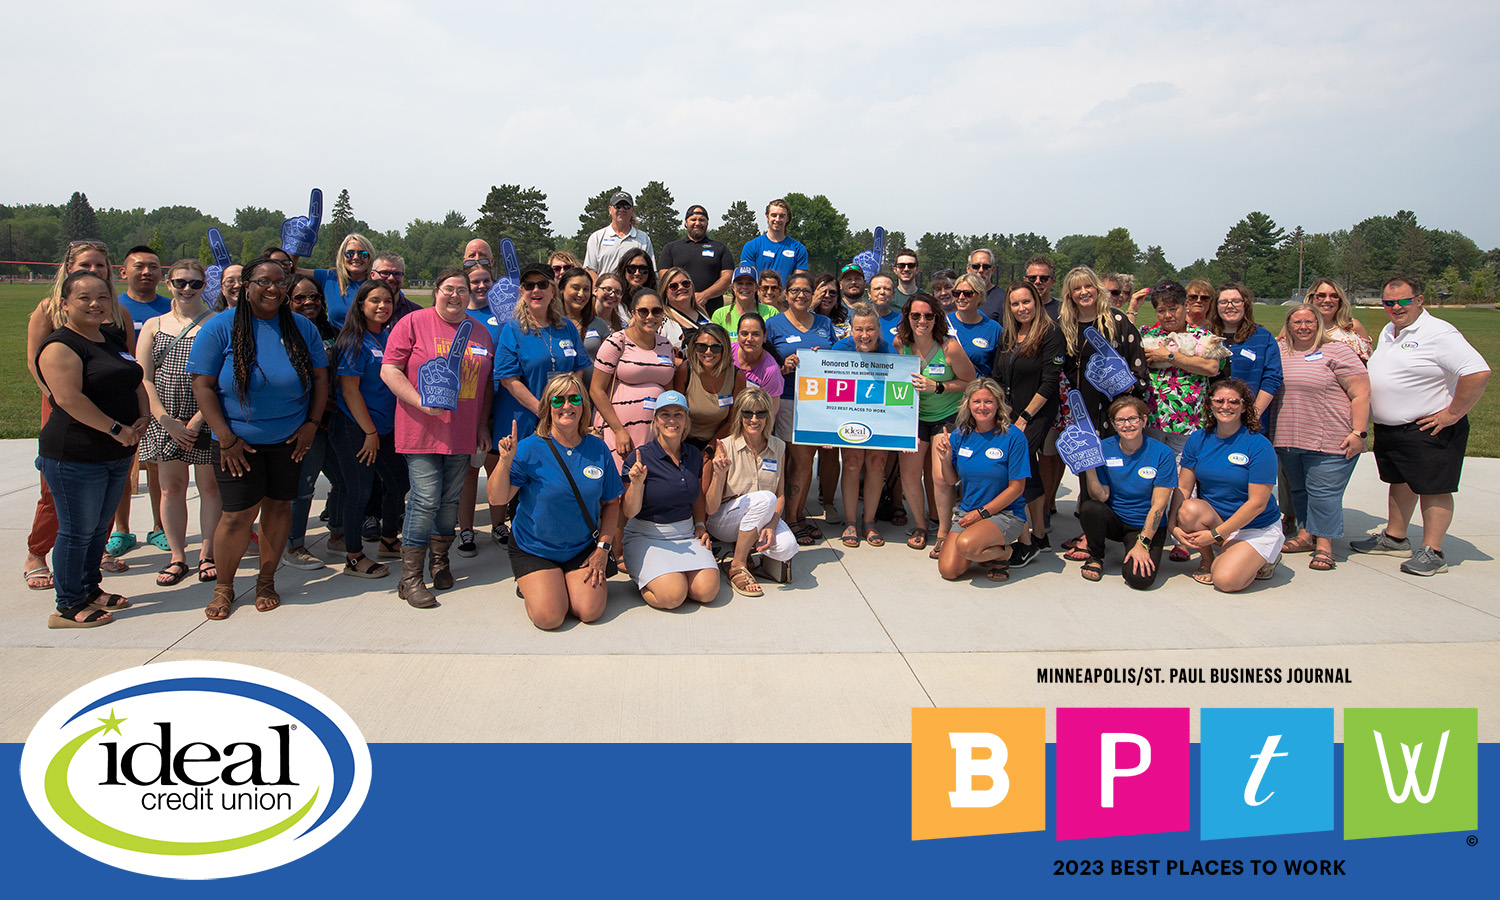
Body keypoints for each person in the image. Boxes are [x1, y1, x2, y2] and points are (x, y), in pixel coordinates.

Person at [188, 257, 330, 619]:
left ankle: (266, 580)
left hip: (290, 439)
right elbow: (202, 386)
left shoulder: (301, 328)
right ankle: (225, 586)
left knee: (280, 507)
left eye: (280, 282)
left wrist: (311, 423)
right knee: (236, 516)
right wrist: (225, 438)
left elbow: (320, 379)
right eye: (263, 281)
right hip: (238, 443)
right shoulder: (220, 327)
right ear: (245, 286)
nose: (273, 288)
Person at [1352, 276, 1490, 576]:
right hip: (1392, 429)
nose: (1396, 307)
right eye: (1389, 302)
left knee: (1433, 488)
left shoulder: (1438, 332)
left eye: (1403, 301)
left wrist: (1452, 414)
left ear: (1419, 300)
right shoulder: (1390, 331)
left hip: (1428, 427)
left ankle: (1433, 550)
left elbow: (1477, 372)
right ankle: (1395, 537)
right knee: (1400, 482)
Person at [35, 271, 149, 628]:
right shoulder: (61, 346)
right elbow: (69, 399)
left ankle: (89, 588)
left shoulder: (110, 337)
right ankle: (67, 605)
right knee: (76, 530)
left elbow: (133, 377)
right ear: (65, 303)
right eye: (84, 298)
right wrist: (117, 429)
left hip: (116, 452)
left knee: (99, 528)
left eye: (102, 296)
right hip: (75, 454)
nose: (95, 304)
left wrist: (143, 417)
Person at [381, 268, 495, 608]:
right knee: (426, 497)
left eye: (462, 290)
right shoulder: (414, 323)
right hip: (421, 430)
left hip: (461, 432)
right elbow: (389, 368)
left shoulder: (480, 332)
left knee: (449, 500)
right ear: (436, 291)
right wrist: (420, 401)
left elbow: (486, 384)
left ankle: (440, 561)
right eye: (449, 289)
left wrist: (482, 425)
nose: (456, 295)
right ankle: (410, 578)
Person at [24, 240, 131, 590]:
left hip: (113, 412)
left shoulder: (118, 312)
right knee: (57, 491)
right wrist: (62, 401)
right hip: (65, 408)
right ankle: (38, 552)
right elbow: (36, 364)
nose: (93, 271)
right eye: (85, 264)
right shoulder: (49, 310)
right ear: (68, 268)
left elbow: (126, 366)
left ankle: (95, 557)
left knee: (106, 492)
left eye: (100, 266)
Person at [492, 374, 622, 630]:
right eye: (558, 399)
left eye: (574, 398)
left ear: (583, 405)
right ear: (547, 406)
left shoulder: (598, 448)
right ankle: (533, 584)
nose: (567, 406)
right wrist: (505, 461)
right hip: (535, 548)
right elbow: (497, 498)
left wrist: (602, 549)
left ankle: (559, 584)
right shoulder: (529, 448)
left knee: (589, 611)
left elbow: (612, 504)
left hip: (580, 548)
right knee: (550, 618)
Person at [1056, 267, 1150, 562]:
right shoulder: (1065, 324)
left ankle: (1121, 529)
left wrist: (1123, 386)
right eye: (1076, 288)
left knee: (1114, 470)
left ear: (1097, 288)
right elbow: (1060, 368)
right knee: (1087, 470)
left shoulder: (1117, 322)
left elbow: (1138, 367)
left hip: (1115, 411)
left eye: (1088, 286)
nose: (1083, 292)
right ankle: (1090, 530)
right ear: (1069, 294)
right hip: (1081, 409)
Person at [137, 259, 221, 587]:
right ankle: (176, 556)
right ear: (168, 283)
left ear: (204, 286)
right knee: (171, 489)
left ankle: (208, 553)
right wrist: (165, 420)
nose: (187, 289)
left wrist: (199, 420)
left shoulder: (215, 324)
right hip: (166, 419)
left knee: (210, 487)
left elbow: (220, 379)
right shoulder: (154, 325)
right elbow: (144, 378)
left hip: (205, 417)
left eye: (195, 284)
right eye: (180, 282)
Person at [1273, 303, 1370, 571]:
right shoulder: (1279, 351)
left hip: (1331, 437)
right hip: (1288, 437)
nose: (1303, 327)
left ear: (1319, 323)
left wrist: (1359, 432)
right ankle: (1305, 535)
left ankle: (1325, 545)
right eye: (1296, 322)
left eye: (1309, 322)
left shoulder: (1337, 350)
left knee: (1324, 493)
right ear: (1288, 325)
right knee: (1300, 490)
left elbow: (1361, 392)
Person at [1171, 378, 1285, 592]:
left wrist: (1216, 534)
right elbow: (1183, 489)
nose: (1225, 406)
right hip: (1218, 521)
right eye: (1219, 400)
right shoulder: (1198, 439)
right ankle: (1207, 559)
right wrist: (1172, 526)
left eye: (1233, 402)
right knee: (1188, 509)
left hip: (1255, 526)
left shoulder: (1259, 445)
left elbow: (1257, 504)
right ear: (1210, 404)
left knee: (1226, 581)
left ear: (1244, 406)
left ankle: (1267, 557)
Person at [331, 281, 407, 578]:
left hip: (384, 428)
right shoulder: (353, 341)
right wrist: (370, 433)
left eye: (387, 301)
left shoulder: (387, 336)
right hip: (357, 430)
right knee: (359, 493)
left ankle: (389, 540)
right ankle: (353, 556)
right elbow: (350, 392)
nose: (382, 306)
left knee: (398, 484)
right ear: (361, 304)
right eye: (374, 300)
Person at [619, 391, 721, 608]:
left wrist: (701, 525)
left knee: (707, 591)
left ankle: (670, 575)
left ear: (686, 421)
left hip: (685, 534)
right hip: (646, 535)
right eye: (665, 414)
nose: (671, 420)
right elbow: (628, 511)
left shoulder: (694, 455)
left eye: (678, 415)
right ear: (655, 420)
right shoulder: (640, 457)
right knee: (673, 596)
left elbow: (697, 497)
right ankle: (644, 576)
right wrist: (636, 485)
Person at [895, 293, 976, 553]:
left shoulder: (949, 347)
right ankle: (920, 525)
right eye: (916, 315)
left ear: (936, 318)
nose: (922, 321)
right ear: (907, 317)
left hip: (945, 418)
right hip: (912, 417)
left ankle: (943, 531)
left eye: (928, 316)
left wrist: (937, 386)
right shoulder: (900, 344)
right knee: (909, 475)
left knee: (941, 477)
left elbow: (970, 383)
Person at [991, 280, 1064, 560]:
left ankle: (1037, 536)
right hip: (1008, 413)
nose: (1021, 308)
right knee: (1024, 467)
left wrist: (1024, 418)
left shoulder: (1050, 334)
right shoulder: (1008, 334)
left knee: (1021, 466)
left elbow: (1049, 383)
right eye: (1015, 304)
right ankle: (1036, 533)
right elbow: (998, 376)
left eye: (1026, 302)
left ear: (1037, 301)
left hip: (1035, 414)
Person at [703, 385, 799, 595]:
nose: (754, 419)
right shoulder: (725, 446)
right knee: (765, 498)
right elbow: (710, 509)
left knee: (787, 548)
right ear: (739, 415)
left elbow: (780, 494)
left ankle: (746, 548)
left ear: (768, 416)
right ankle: (737, 565)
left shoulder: (779, 446)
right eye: (747, 413)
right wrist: (718, 475)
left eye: (760, 413)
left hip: (763, 514)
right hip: (725, 519)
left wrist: (772, 525)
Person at [765, 272, 838, 545]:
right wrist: (784, 368)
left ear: (813, 295)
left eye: (806, 291)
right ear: (785, 294)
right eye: (795, 290)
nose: (800, 295)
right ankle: (789, 517)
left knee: (806, 461)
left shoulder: (825, 323)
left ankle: (796, 515)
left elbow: (839, 358)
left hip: (819, 402)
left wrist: (826, 358)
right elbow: (767, 363)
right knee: (794, 461)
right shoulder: (773, 325)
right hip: (787, 399)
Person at [932, 379, 1030, 582]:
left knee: (966, 545)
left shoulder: (1014, 437)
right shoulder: (961, 434)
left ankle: (1004, 554)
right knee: (948, 571)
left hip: (1005, 514)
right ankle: (984, 548)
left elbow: (1017, 488)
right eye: (977, 401)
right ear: (968, 404)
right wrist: (945, 459)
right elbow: (951, 480)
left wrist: (981, 514)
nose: (982, 407)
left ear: (998, 404)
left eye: (989, 402)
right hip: (968, 513)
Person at [108, 245, 170, 560]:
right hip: (120, 397)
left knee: (158, 466)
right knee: (122, 466)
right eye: (139, 266)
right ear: (123, 271)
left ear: (162, 274)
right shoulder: (111, 307)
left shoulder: (171, 307)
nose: (146, 272)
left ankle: (160, 526)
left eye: (153, 267)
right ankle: (121, 529)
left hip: (159, 398)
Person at [1077, 396, 1177, 587]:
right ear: (1113, 424)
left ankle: (1135, 545)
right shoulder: (1103, 448)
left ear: (1144, 420)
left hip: (1145, 525)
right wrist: (1089, 466)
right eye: (1120, 420)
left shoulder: (1162, 453)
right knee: (1090, 507)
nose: (1127, 425)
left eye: (1133, 419)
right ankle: (1096, 556)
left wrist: (1143, 542)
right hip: (1116, 520)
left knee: (1139, 579)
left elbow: (1159, 506)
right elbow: (1102, 496)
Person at [283, 275, 345, 571]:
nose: (309, 303)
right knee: (304, 485)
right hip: (301, 422)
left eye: (315, 297)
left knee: (343, 480)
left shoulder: (333, 332)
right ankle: (294, 544)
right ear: (287, 301)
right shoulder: (280, 332)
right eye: (300, 298)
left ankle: (337, 534)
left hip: (332, 419)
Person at [591, 287, 677, 477]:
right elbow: (596, 390)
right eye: (643, 311)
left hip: (654, 433)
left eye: (656, 311)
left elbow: (669, 393)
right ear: (633, 313)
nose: (650, 316)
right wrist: (618, 431)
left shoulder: (665, 345)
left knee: (649, 487)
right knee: (620, 485)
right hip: (621, 431)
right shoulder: (616, 341)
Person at [832, 304, 894, 547]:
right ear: (851, 330)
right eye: (859, 329)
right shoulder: (840, 348)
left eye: (870, 329)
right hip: (848, 414)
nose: (864, 335)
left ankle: (869, 522)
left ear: (879, 329)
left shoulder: (890, 351)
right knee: (851, 463)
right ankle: (850, 522)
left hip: (879, 414)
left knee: (877, 464)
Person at [1209, 282, 1282, 430]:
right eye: (1223, 302)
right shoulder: (1204, 335)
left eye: (1236, 301)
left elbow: (1272, 378)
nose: (1230, 306)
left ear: (1245, 304)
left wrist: (1253, 415)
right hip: (1210, 420)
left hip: (1250, 422)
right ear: (1216, 306)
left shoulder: (1263, 337)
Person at [673, 323, 747, 451]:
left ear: (724, 349)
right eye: (702, 347)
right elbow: (676, 414)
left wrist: (710, 449)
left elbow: (732, 421)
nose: (708, 352)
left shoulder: (737, 376)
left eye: (715, 347)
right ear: (694, 348)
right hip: (683, 441)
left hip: (718, 442)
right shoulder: (685, 370)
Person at [658, 204, 733, 309]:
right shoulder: (670, 248)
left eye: (702, 220)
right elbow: (665, 277)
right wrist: (688, 298)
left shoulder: (720, 248)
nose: (697, 223)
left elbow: (727, 277)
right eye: (693, 219)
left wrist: (705, 295)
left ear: (707, 223)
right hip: (678, 310)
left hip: (712, 311)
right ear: (685, 223)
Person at [293, 232, 373, 328]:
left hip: (372, 342)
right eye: (349, 253)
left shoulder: (376, 283)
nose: (355, 257)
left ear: (369, 257)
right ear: (342, 256)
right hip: (338, 341)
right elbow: (292, 270)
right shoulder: (329, 277)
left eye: (362, 254)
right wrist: (302, 239)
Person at [585, 191, 654, 278]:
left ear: (632, 210)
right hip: (605, 290)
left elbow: (649, 271)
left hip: (633, 291)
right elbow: (589, 270)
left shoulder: (644, 239)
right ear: (610, 209)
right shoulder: (597, 237)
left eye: (626, 206)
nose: (622, 209)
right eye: (617, 206)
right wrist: (602, 289)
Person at [948, 272, 1003, 378]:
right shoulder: (941, 323)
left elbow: (999, 369)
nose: (961, 297)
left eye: (968, 293)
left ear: (981, 295)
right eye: (956, 293)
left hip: (976, 391)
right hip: (946, 391)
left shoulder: (994, 329)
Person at [738, 198, 809, 280]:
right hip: (759, 293)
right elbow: (750, 280)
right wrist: (765, 292)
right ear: (767, 216)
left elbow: (798, 283)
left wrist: (782, 293)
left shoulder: (798, 249)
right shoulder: (751, 246)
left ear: (787, 218)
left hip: (786, 293)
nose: (777, 219)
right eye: (774, 215)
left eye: (782, 216)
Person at [1303, 278, 1372, 361]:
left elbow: (1368, 363)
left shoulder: (1353, 326)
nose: (1327, 300)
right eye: (1321, 296)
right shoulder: (1297, 327)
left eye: (1334, 296)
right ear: (1311, 298)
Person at [731, 313, 784, 419]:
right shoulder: (727, 352)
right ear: (737, 335)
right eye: (744, 333)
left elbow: (770, 414)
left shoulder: (771, 370)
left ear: (764, 336)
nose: (749, 339)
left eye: (755, 334)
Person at [560, 266, 611, 365]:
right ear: (562, 288)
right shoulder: (550, 324)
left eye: (586, 289)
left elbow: (610, 362)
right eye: (576, 288)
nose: (581, 294)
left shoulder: (599, 324)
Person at [712, 264, 778, 336]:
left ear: (756, 287)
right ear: (733, 287)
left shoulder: (771, 313)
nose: (744, 287)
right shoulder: (719, 315)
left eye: (749, 283)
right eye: (740, 283)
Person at [659, 265, 713, 350]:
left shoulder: (701, 311)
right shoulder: (661, 319)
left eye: (685, 283)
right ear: (665, 291)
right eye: (674, 286)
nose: (681, 288)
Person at [968, 248, 1005, 318]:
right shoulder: (959, 296)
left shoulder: (1003, 298)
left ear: (992, 270)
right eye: (976, 266)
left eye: (986, 267)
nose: (981, 270)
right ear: (968, 269)